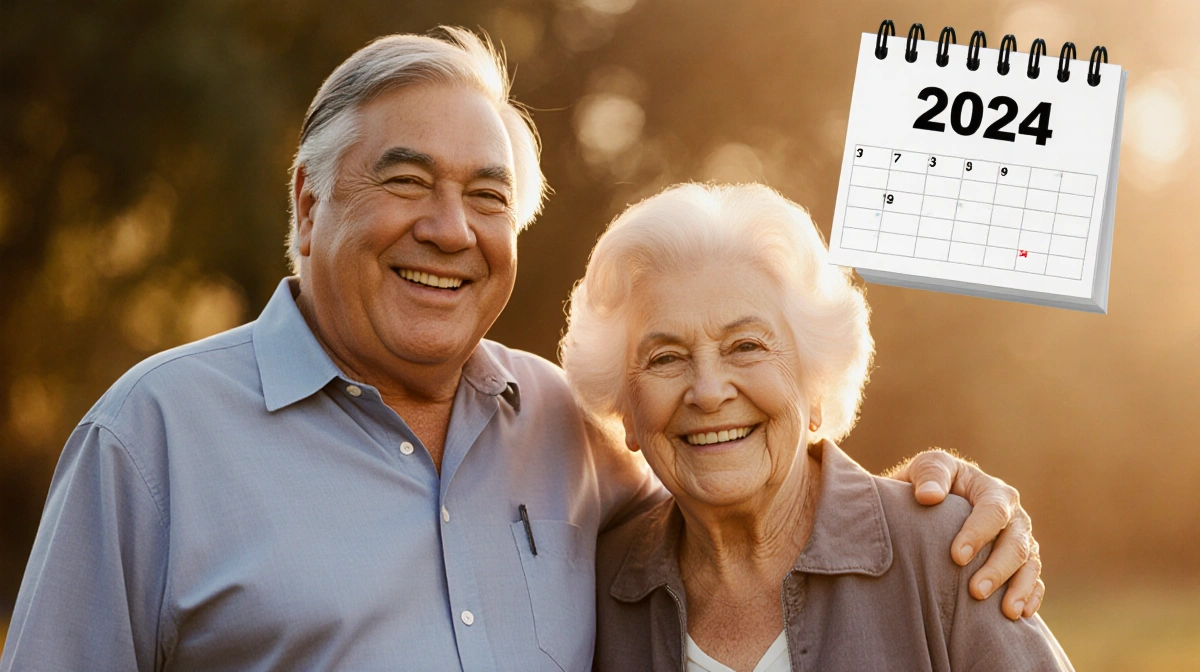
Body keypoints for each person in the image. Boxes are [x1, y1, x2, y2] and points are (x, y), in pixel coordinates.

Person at [2, 29, 1042, 671]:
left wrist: (940, 499)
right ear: (309, 202)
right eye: (406, 181)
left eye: (486, 196)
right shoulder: (152, 440)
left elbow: (745, 487)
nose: (450, 229)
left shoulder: (560, 429)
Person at [561, 182, 1070, 671]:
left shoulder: (946, 554)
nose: (709, 391)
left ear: (817, 384)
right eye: (665, 357)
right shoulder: (592, 587)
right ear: (625, 411)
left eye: (746, 346)